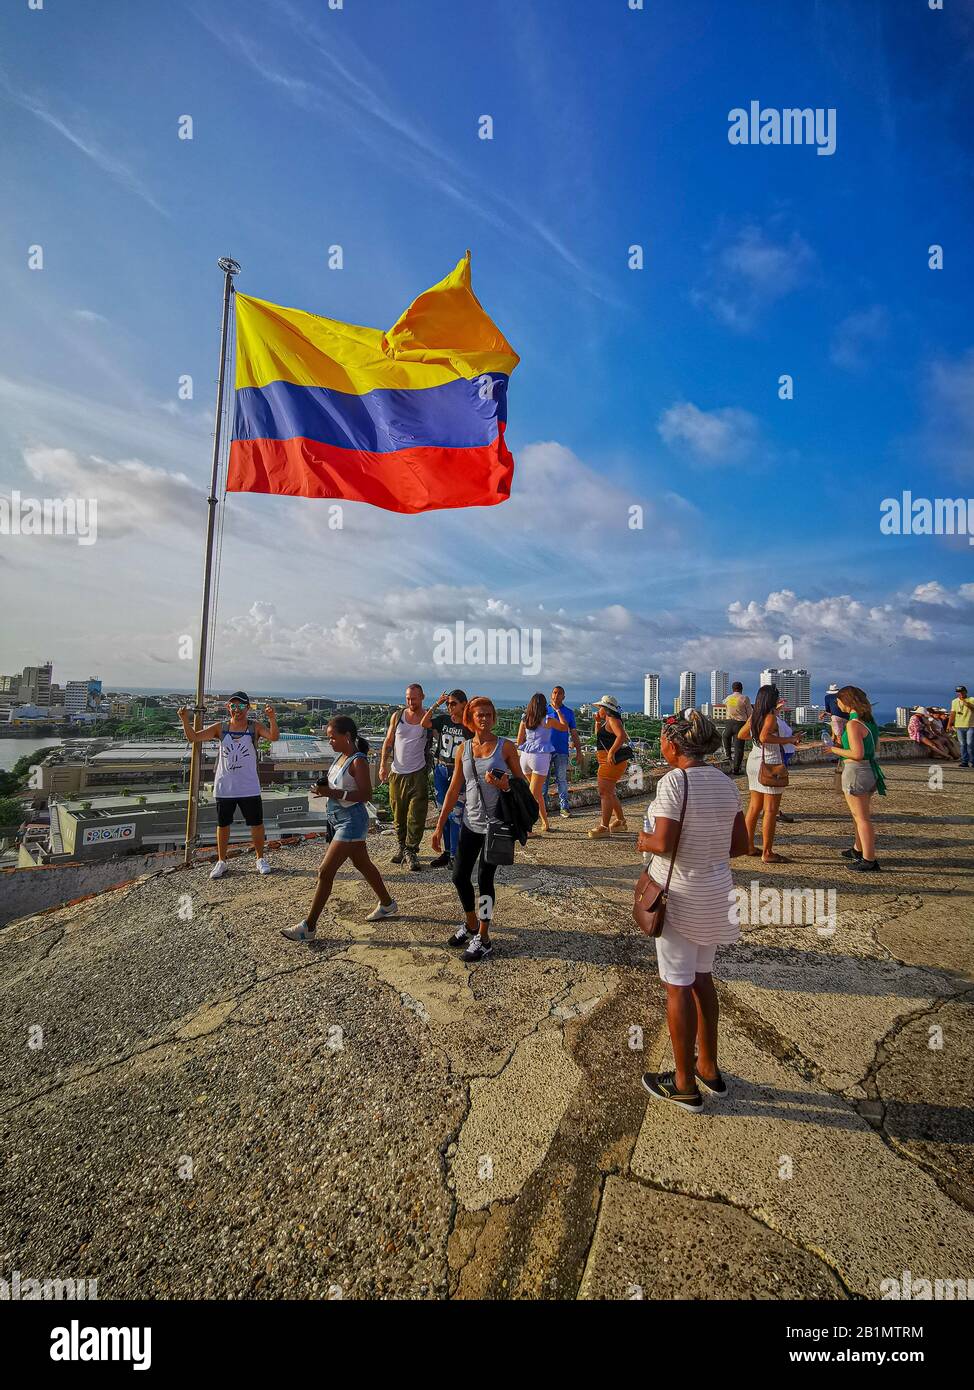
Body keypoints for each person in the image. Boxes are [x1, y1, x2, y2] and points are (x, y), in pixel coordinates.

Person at [637, 711, 750, 1111]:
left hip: (680, 896)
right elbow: (740, 845)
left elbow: (664, 842)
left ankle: (684, 1082)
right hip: (716, 893)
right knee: (703, 979)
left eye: (664, 741)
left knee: (677, 985)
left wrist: (643, 840)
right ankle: (709, 1067)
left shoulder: (674, 781)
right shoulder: (725, 782)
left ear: (673, 744)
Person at [431, 695, 527, 963]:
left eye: (487, 714)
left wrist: (504, 783)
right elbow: (453, 790)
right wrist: (439, 826)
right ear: (470, 720)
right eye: (478, 715)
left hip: (496, 826)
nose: (483, 719)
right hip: (470, 823)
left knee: (485, 880)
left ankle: (483, 937)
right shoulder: (464, 749)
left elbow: (523, 784)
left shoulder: (505, 748)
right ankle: (471, 923)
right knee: (459, 876)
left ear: (493, 717)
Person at [283, 717, 397, 940]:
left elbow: (366, 795)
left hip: (351, 821)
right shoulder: (339, 758)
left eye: (332, 737)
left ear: (346, 736)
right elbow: (337, 786)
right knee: (362, 864)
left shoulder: (358, 762)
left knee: (325, 872)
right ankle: (387, 903)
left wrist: (332, 793)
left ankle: (309, 926)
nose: (330, 742)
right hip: (337, 818)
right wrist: (324, 789)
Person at [178, 692, 278, 879]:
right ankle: (221, 861)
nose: (236, 710)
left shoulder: (254, 728)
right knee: (223, 824)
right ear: (228, 708)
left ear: (247, 708)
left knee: (256, 824)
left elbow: (273, 737)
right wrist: (185, 720)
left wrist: (272, 718)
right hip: (225, 785)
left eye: (240, 706)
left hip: (249, 785)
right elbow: (193, 738)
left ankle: (260, 858)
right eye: (233, 706)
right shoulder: (220, 728)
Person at [736, 684, 802, 863]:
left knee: (754, 807)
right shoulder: (771, 717)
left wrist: (756, 734)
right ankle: (767, 852)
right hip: (770, 764)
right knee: (771, 810)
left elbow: (742, 735)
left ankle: (748, 846)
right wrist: (790, 739)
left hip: (755, 761)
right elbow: (765, 737)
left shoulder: (755, 715)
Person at [823, 685, 886, 872]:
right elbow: (873, 749)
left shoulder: (852, 724)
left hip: (856, 771)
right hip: (869, 770)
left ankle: (869, 859)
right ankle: (858, 849)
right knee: (858, 816)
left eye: (839, 700)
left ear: (847, 702)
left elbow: (856, 753)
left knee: (862, 818)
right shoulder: (869, 722)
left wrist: (833, 749)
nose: (837, 703)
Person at [379, 683, 431, 871]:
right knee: (398, 814)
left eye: (414, 698)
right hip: (397, 773)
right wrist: (383, 765)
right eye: (408, 698)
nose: (410, 702)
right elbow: (389, 741)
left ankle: (411, 851)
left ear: (422, 697)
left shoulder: (427, 718)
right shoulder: (398, 716)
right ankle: (402, 846)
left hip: (418, 773)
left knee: (416, 815)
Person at [425, 689, 471, 868]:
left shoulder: (469, 726)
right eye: (448, 704)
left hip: (458, 772)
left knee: (455, 814)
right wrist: (437, 704)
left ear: (463, 704)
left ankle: (455, 854)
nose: (450, 706)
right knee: (442, 813)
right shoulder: (443, 720)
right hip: (441, 770)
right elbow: (424, 723)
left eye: (453, 703)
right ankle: (446, 852)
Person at [516, 693, 570, 833]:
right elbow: (565, 727)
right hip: (540, 758)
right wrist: (557, 710)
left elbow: (519, 741)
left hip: (525, 757)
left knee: (537, 793)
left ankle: (545, 823)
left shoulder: (525, 719)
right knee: (532, 795)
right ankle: (526, 828)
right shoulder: (548, 719)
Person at [588, 695, 631, 838]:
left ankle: (604, 827)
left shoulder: (612, 720)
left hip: (610, 762)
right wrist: (597, 723)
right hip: (608, 762)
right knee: (610, 793)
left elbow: (622, 736)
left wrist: (611, 752)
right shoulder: (608, 720)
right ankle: (620, 821)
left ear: (605, 709)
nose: (598, 710)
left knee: (604, 793)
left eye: (600, 707)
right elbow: (599, 738)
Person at [543, 686, 584, 819]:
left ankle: (564, 807)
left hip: (561, 750)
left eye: (559, 693)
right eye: (554, 692)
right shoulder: (543, 710)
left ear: (563, 697)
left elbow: (574, 733)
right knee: (544, 781)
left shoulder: (568, 712)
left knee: (562, 780)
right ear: (551, 695)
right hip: (545, 751)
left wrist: (579, 751)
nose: (556, 695)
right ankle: (542, 808)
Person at [721, 682, 752, 775]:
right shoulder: (745, 698)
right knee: (739, 748)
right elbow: (750, 713)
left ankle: (728, 755)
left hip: (729, 723)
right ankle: (736, 769)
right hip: (740, 724)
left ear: (732, 689)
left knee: (725, 736)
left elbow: (725, 704)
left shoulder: (728, 698)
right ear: (741, 689)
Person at [948, 686, 974, 768]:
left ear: (966, 692)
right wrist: (949, 724)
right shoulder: (954, 701)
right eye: (958, 692)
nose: (960, 693)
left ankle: (973, 761)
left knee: (970, 744)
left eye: (962, 691)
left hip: (971, 725)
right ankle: (964, 762)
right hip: (959, 726)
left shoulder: (972, 699)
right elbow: (953, 713)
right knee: (962, 745)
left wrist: (965, 702)